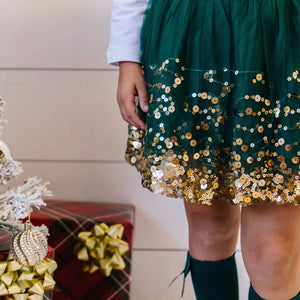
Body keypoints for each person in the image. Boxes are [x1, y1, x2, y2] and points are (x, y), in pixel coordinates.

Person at [107, 0, 300, 299]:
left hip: (284, 36)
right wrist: (127, 58)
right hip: (192, 34)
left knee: (273, 253)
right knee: (210, 225)